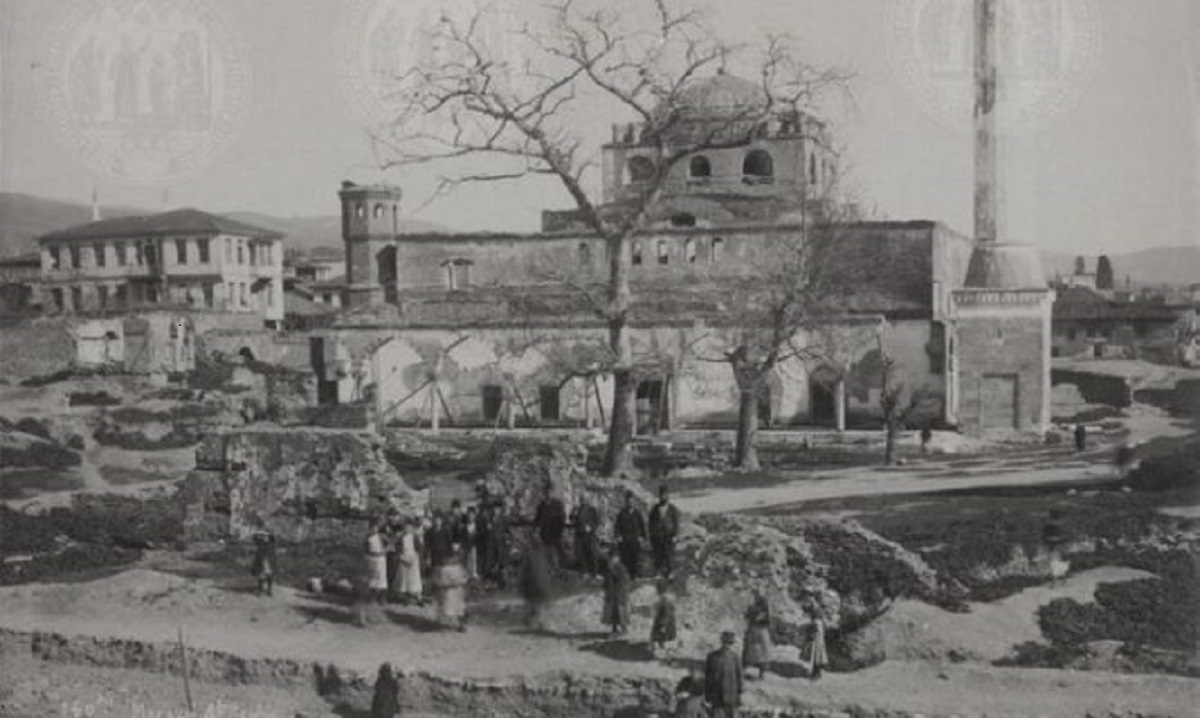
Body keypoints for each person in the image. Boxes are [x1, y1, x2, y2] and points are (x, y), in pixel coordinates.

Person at [704, 631, 743, 718]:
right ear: (722, 642)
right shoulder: (712, 657)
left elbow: (739, 676)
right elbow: (707, 677)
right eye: (726, 642)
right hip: (716, 696)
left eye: (730, 643)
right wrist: (708, 695)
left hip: (731, 696)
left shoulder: (735, 658)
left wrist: (739, 694)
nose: (728, 645)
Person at [520, 534, 554, 631]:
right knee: (540, 605)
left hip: (533, 586)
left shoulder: (529, 556)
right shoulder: (544, 555)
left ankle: (534, 622)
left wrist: (521, 584)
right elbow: (549, 570)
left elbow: (524, 572)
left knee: (533, 605)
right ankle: (540, 622)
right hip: (543, 586)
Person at [434, 546, 470, 632]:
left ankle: (462, 625)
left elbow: (465, 577)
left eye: (454, 557)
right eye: (448, 558)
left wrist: (463, 582)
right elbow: (442, 582)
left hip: (459, 591)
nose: (451, 560)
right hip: (449, 591)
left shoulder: (460, 567)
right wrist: (448, 584)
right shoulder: (444, 569)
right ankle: (441, 619)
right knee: (447, 607)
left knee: (460, 608)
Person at [648, 486, 681, 578]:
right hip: (658, 536)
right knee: (658, 555)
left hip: (669, 536)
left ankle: (670, 573)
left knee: (669, 555)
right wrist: (651, 534)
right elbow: (650, 523)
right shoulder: (654, 509)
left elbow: (676, 523)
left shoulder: (673, 509)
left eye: (665, 495)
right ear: (659, 496)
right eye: (661, 495)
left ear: (668, 495)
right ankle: (658, 573)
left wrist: (675, 535)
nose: (663, 497)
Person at [534, 483, 568, 569]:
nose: (547, 494)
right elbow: (537, 519)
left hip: (555, 533)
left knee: (556, 553)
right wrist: (535, 530)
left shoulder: (558, 504)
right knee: (547, 553)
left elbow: (562, 518)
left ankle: (557, 569)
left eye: (549, 491)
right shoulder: (541, 505)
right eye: (545, 492)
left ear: (552, 492)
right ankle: (551, 569)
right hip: (545, 534)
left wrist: (561, 531)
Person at [614, 491, 646, 579]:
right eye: (628, 501)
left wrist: (642, 537)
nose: (630, 503)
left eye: (631, 501)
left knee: (635, 559)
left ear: (634, 502)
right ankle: (626, 578)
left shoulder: (637, 514)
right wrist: (618, 536)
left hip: (635, 540)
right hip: (624, 540)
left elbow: (642, 526)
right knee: (625, 560)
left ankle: (634, 577)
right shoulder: (621, 514)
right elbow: (617, 526)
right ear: (626, 502)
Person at [742, 590, 772, 680]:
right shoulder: (752, 606)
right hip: (755, 630)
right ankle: (744, 671)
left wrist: (755, 617)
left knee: (762, 652)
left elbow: (764, 618)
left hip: (761, 630)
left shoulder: (762, 606)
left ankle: (761, 674)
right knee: (750, 650)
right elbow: (748, 616)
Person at [602, 548, 632, 636]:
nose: (611, 560)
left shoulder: (620, 567)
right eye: (610, 558)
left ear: (618, 558)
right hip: (611, 594)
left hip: (620, 594)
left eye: (613, 558)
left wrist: (613, 571)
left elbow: (624, 579)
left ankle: (624, 629)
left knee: (621, 611)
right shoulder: (608, 567)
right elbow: (607, 580)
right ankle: (614, 629)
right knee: (612, 612)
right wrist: (606, 588)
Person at [570, 495, 601, 576]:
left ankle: (594, 572)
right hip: (579, 534)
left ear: (587, 500)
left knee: (591, 553)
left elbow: (597, 521)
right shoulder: (577, 509)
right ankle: (584, 570)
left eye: (584, 499)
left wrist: (590, 527)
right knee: (579, 552)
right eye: (581, 499)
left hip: (589, 535)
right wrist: (573, 512)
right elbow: (572, 519)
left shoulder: (592, 509)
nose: (582, 500)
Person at [396, 518, 424, 605]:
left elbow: (419, 548)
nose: (407, 529)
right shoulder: (401, 538)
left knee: (415, 578)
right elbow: (398, 549)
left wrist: (414, 558)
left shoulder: (415, 537)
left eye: (409, 527)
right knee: (405, 579)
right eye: (406, 527)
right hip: (404, 557)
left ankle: (419, 598)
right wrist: (402, 558)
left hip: (414, 558)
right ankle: (406, 598)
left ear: (412, 528)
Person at [650, 579, 677, 655]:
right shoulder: (670, 598)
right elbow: (673, 609)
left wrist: (663, 624)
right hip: (668, 620)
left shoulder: (664, 599)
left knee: (661, 636)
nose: (656, 590)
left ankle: (662, 650)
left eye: (658, 588)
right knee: (663, 637)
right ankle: (663, 649)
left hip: (663, 621)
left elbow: (665, 612)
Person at [365, 522, 389, 605]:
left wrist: (384, 551)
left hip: (380, 559)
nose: (374, 529)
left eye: (375, 527)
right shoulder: (367, 537)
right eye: (372, 527)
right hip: (371, 558)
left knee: (382, 578)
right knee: (372, 578)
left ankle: (382, 598)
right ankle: (373, 597)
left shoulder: (382, 536)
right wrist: (367, 556)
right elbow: (365, 548)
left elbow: (391, 544)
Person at [250, 531, 276, 597]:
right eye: (264, 537)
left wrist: (268, 533)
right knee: (261, 576)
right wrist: (260, 533)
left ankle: (269, 589)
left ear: (269, 538)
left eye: (267, 537)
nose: (265, 538)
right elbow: (254, 537)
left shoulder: (272, 544)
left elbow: (274, 538)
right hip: (261, 562)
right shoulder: (260, 543)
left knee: (270, 576)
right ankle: (260, 590)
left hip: (270, 562)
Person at [806, 605, 828, 680]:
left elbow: (815, 632)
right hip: (819, 642)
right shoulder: (820, 622)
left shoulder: (816, 622)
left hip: (816, 642)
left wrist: (811, 636)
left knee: (816, 659)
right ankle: (817, 674)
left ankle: (816, 675)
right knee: (818, 659)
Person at [463, 504, 479, 580]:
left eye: (472, 515)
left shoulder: (478, 526)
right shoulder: (464, 527)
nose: (471, 517)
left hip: (476, 549)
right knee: (468, 561)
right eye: (469, 515)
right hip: (467, 548)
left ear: (475, 516)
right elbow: (463, 539)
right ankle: (468, 574)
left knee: (474, 559)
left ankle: (475, 573)